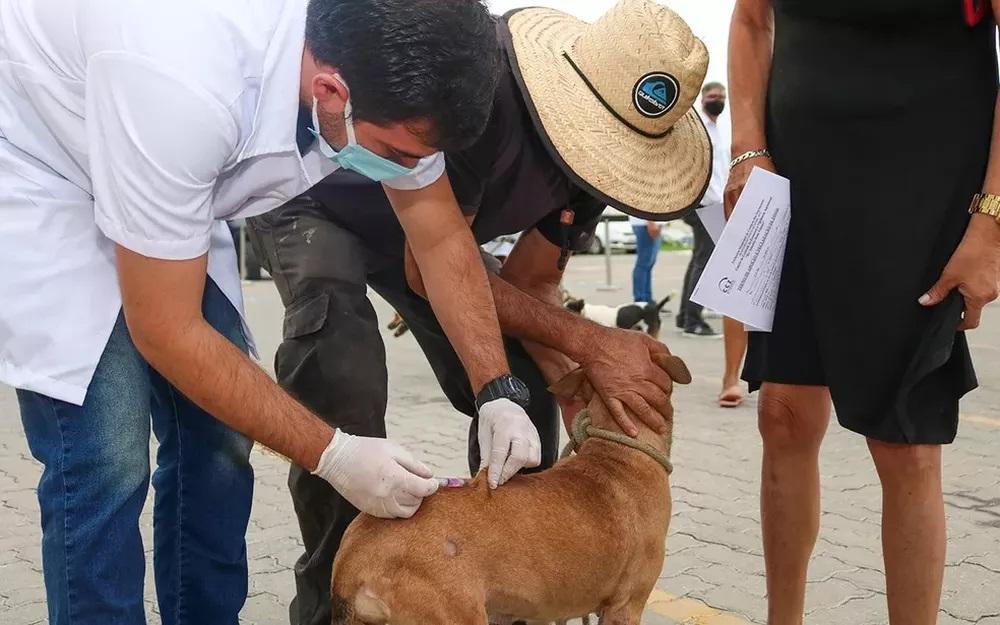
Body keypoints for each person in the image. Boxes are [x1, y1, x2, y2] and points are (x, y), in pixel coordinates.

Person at [0, 0, 524, 622]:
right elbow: (166, 330)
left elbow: (437, 233)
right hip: (50, 162)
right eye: (395, 154)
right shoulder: (182, 80)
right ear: (331, 91)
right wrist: (334, 454)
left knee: (219, 446)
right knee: (106, 461)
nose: (405, 170)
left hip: (166, 166)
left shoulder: (385, 77)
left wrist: (497, 386)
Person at [247, 2, 712, 623]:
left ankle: (497, 580)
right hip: (325, 205)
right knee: (342, 381)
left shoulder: (594, 170)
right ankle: (330, 606)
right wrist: (595, 342)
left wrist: (565, 378)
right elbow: (429, 262)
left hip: (434, 243)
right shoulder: (476, 89)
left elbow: (532, 282)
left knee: (521, 386)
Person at [727, 1, 1000, 624]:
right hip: (796, 176)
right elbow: (750, 20)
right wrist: (747, 149)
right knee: (782, 417)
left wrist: (992, 222)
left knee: (904, 440)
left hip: (923, 190)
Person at [676, 82, 729, 338]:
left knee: (699, 258)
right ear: (702, 99)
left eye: (721, 96)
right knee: (705, 262)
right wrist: (710, 202)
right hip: (701, 203)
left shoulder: (719, 130)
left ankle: (683, 315)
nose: (717, 99)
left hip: (714, 203)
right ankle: (693, 321)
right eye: (712, 95)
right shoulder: (698, 130)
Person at [630, 217, 663, 303]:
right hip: (646, 223)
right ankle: (640, 299)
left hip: (652, 223)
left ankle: (647, 299)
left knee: (648, 264)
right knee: (643, 264)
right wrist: (650, 221)